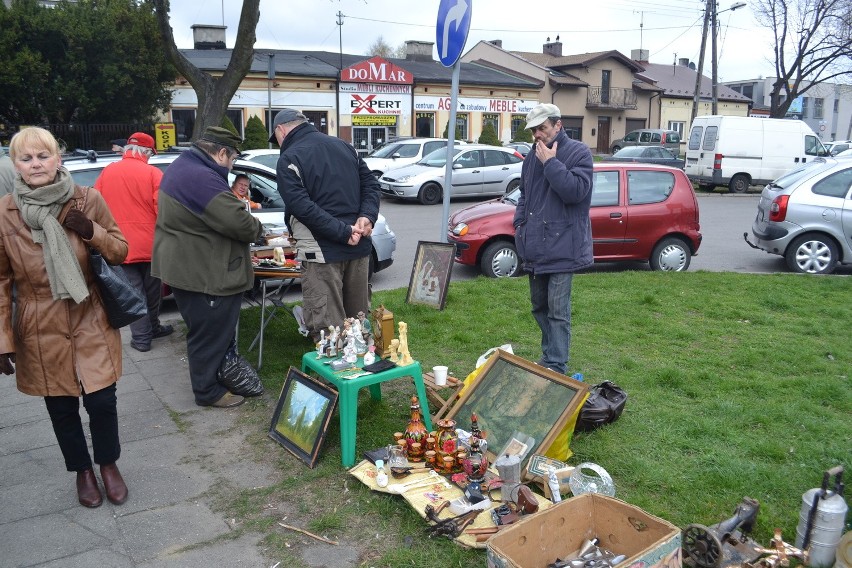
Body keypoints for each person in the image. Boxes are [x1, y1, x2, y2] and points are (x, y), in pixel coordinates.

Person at [0, 127, 131, 508]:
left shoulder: (87, 199)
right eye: (27, 158)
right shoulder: (5, 213)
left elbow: (121, 251)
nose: (36, 164)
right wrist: (3, 340)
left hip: (90, 315)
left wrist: (91, 231)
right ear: (16, 165)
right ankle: (83, 472)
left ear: (58, 158)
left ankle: (108, 464)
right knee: (61, 407)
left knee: (102, 401)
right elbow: (2, 279)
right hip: (39, 323)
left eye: (44, 156)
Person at [152, 126, 263, 408]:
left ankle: (213, 380)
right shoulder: (201, 177)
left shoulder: (186, 166)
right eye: (233, 159)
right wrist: (258, 227)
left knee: (207, 331)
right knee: (209, 334)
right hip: (202, 272)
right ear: (222, 152)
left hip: (188, 265)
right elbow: (239, 223)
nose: (232, 165)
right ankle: (207, 392)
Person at [270, 108, 380, 342]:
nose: (278, 143)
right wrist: (367, 217)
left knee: (329, 329)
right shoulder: (344, 146)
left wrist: (349, 227)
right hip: (358, 247)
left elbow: (302, 208)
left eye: (276, 138)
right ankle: (361, 375)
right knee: (358, 323)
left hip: (322, 254)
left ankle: (335, 378)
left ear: (281, 130)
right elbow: (371, 185)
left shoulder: (289, 157)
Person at [513, 103, 593, 374]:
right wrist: (519, 224)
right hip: (534, 245)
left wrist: (551, 162)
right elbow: (524, 195)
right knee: (539, 306)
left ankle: (556, 363)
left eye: (542, 128)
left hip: (563, 247)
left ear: (558, 125)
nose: (537, 134)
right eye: (533, 130)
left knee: (558, 310)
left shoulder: (578, 152)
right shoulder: (531, 157)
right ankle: (549, 355)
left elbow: (576, 192)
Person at [95, 132, 173, 352]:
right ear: (146, 152)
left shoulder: (107, 172)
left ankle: (142, 338)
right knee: (153, 291)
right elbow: (162, 211)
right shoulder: (153, 173)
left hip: (119, 246)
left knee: (134, 294)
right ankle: (151, 329)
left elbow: (96, 208)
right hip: (151, 245)